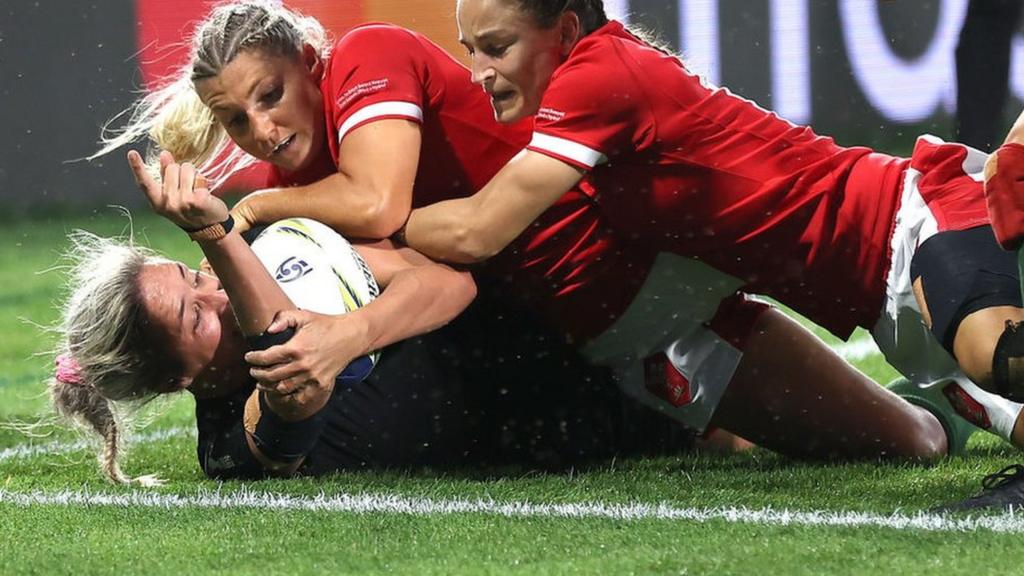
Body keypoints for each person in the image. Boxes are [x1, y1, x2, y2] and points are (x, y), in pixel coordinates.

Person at [94, 1, 961, 462]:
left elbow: (383, 207)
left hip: (642, 245)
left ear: (311, 64)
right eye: (235, 120)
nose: (260, 130)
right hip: (607, 329)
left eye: (270, 95)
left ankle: (970, 218)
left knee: (884, 247)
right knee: (912, 443)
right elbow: (417, 268)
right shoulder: (297, 183)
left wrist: (253, 211)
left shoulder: (365, 61)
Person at [53, 150, 699, 484]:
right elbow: (291, 378)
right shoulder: (225, 447)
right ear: (176, 381)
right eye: (196, 321)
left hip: (560, 345)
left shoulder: (273, 254)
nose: (217, 294)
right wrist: (217, 237)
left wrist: (353, 333)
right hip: (558, 431)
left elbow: (450, 284)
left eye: (197, 279)